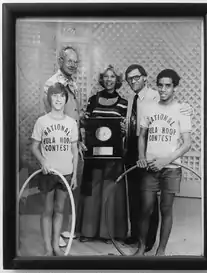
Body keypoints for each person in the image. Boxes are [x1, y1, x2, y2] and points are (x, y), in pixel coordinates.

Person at [124, 64, 193, 252]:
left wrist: (166, 160)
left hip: (171, 169)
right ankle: (141, 248)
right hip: (150, 168)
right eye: (160, 85)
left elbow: (187, 143)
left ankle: (160, 250)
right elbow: (142, 136)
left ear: (174, 88)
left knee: (166, 209)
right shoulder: (149, 108)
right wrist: (141, 156)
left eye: (168, 86)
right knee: (145, 209)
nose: (163, 89)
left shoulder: (181, 110)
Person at [78, 65, 128, 243]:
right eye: (106, 77)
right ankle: (88, 232)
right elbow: (85, 123)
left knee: (109, 192)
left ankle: (109, 233)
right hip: (94, 154)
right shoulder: (93, 100)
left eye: (112, 77)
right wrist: (83, 120)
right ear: (102, 79)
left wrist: (124, 129)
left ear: (117, 80)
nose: (109, 80)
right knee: (92, 191)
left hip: (113, 156)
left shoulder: (124, 103)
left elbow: (125, 129)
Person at [43, 45, 85, 246]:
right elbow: (49, 116)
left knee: (68, 188)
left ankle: (62, 230)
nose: (73, 65)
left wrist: (80, 141)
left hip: (72, 142)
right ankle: (52, 237)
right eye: (70, 61)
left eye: (76, 62)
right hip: (58, 144)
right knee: (53, 195)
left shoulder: (74, 83)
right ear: (60, 60)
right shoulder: (52, 83)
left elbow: (77, 114)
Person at [31, 82, 78, 256]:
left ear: (66, 99)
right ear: (49, 98)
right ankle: (47, 247)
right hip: (48, 173)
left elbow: (74, 150)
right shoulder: (41, 121)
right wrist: (42, 161)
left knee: (59, 209)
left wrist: (74, 175)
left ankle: (56, 246)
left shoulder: (71, 123)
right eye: (55, 96)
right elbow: (34, 147)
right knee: (47, 210)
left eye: (61, 96)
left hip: (65, 173)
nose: (58, 99)